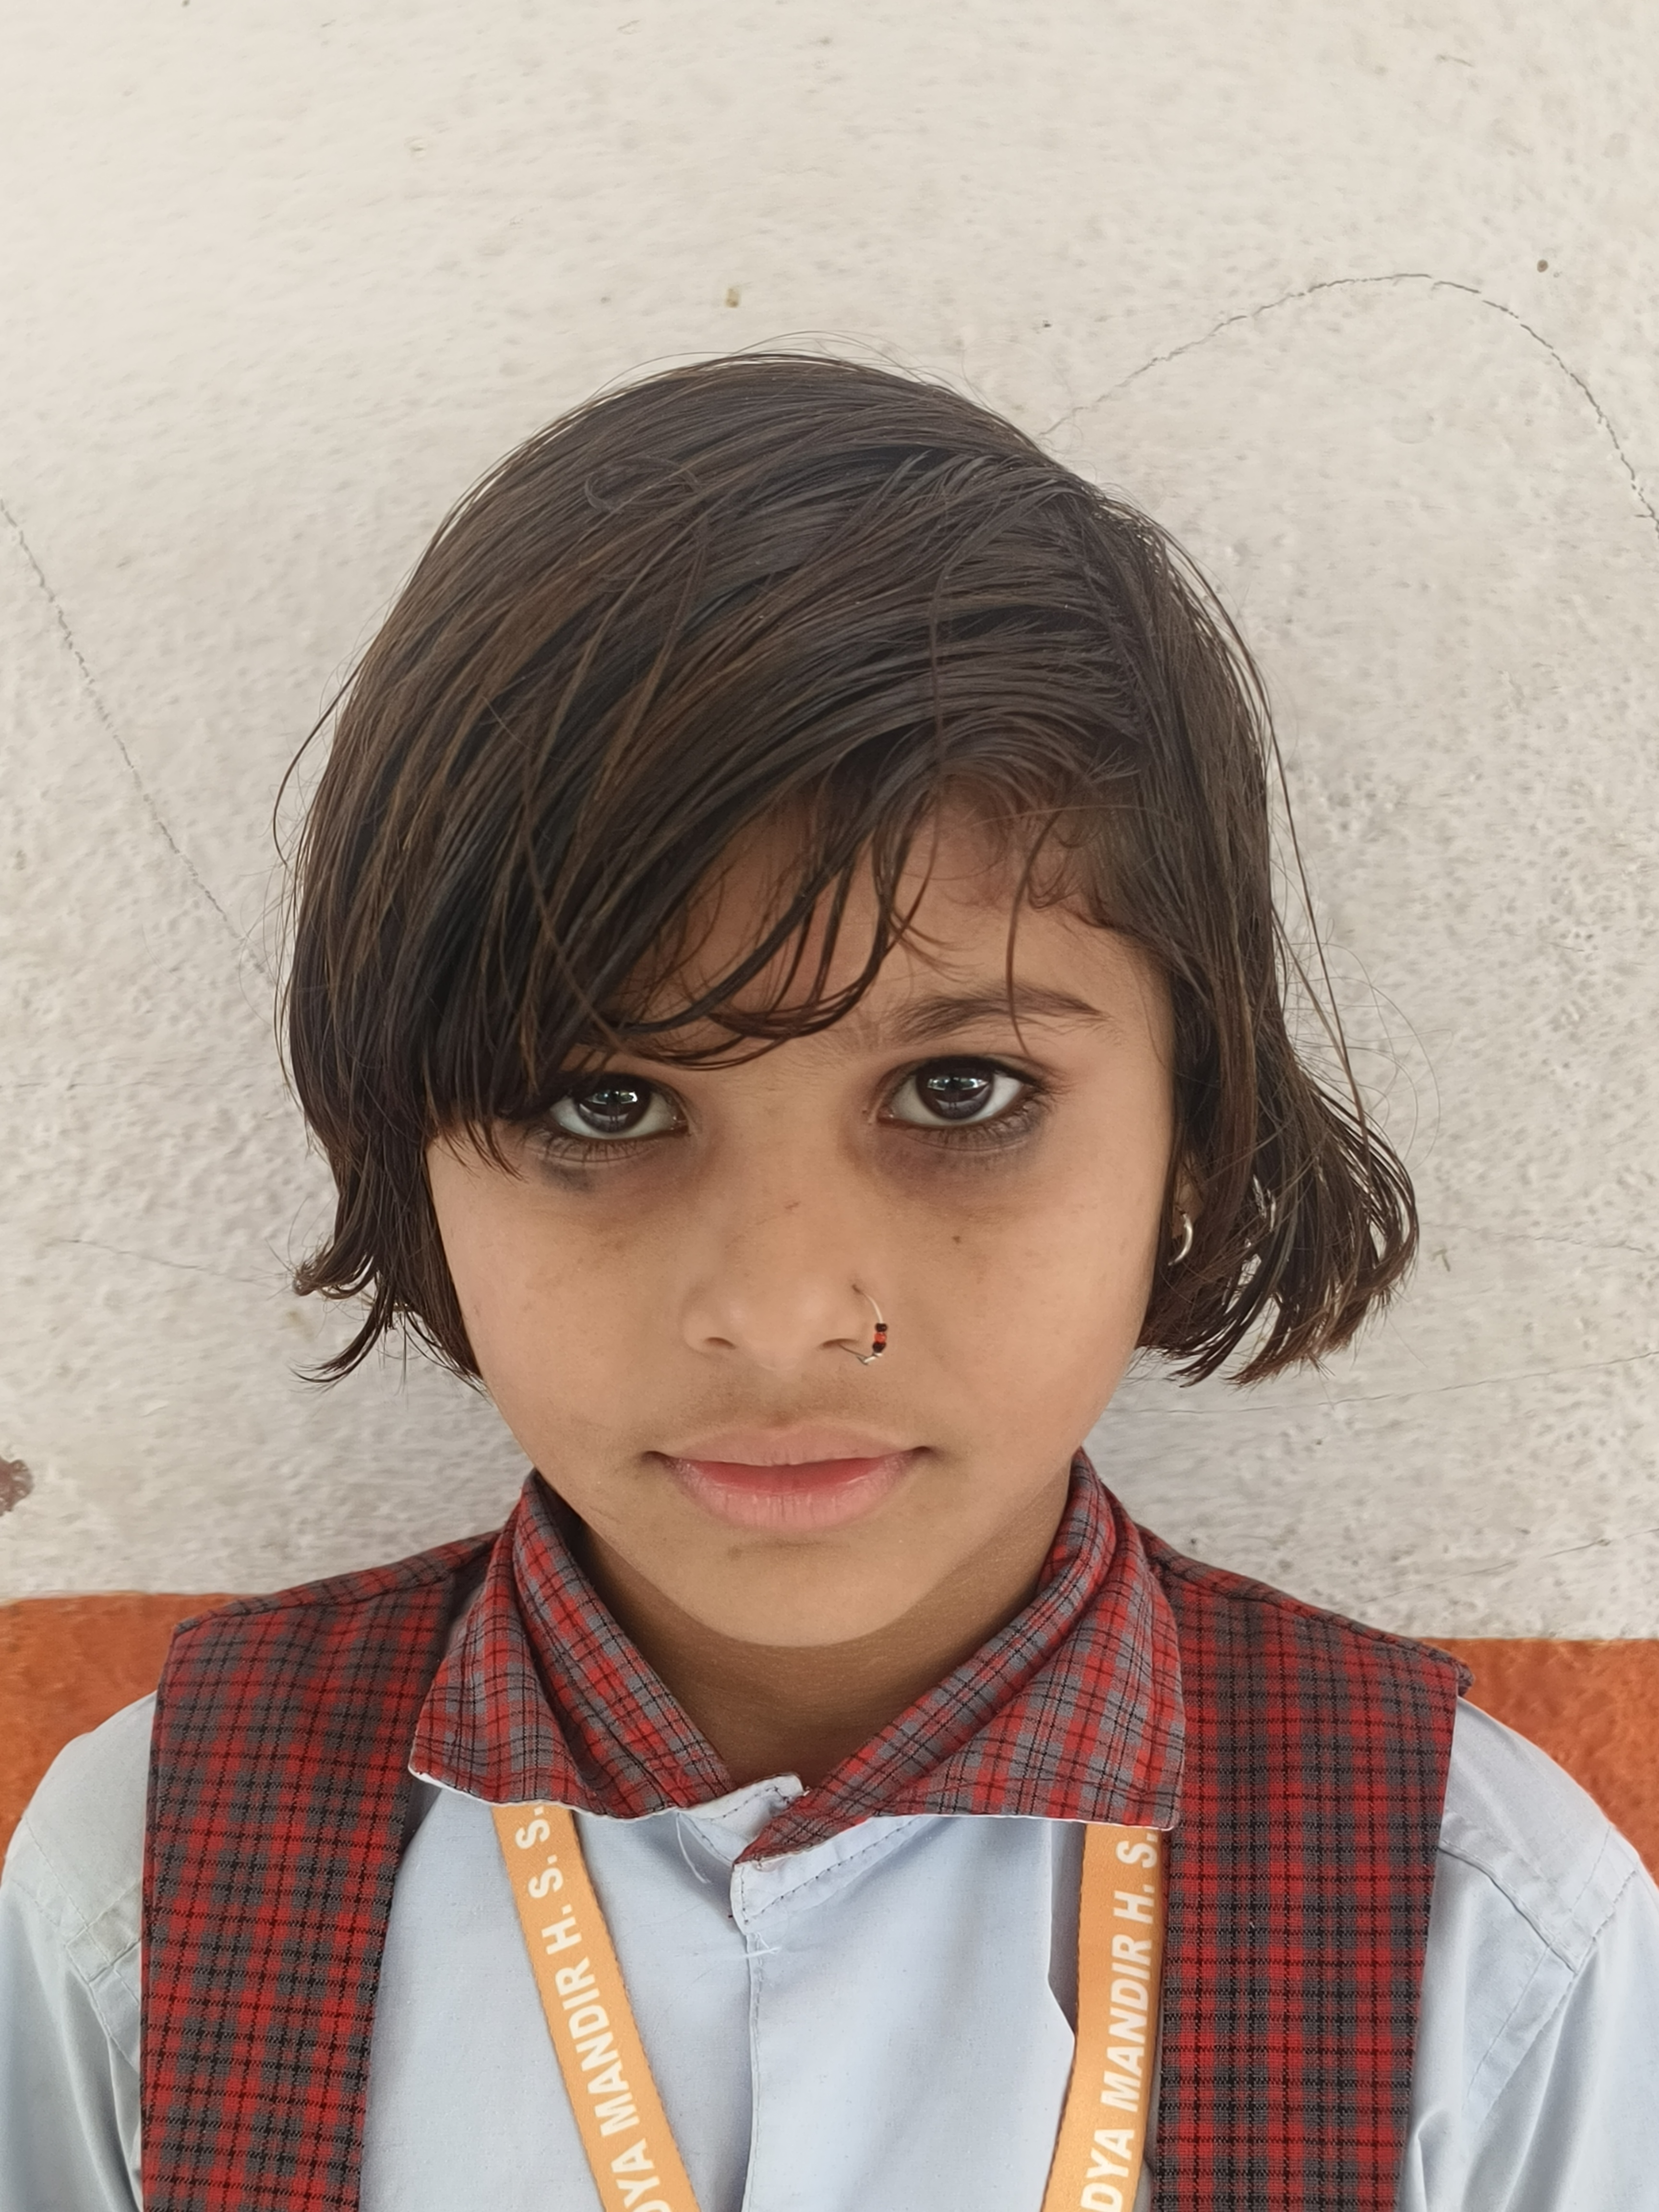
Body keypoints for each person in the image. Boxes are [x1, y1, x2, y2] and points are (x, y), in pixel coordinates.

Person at [2, 355, 1656, 2212]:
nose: (784, 1315)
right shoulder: (144, 1891)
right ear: (411, 1146)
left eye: (963, 1092)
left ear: (1197, 1129)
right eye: (603, 1101)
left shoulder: (1487, 1940)